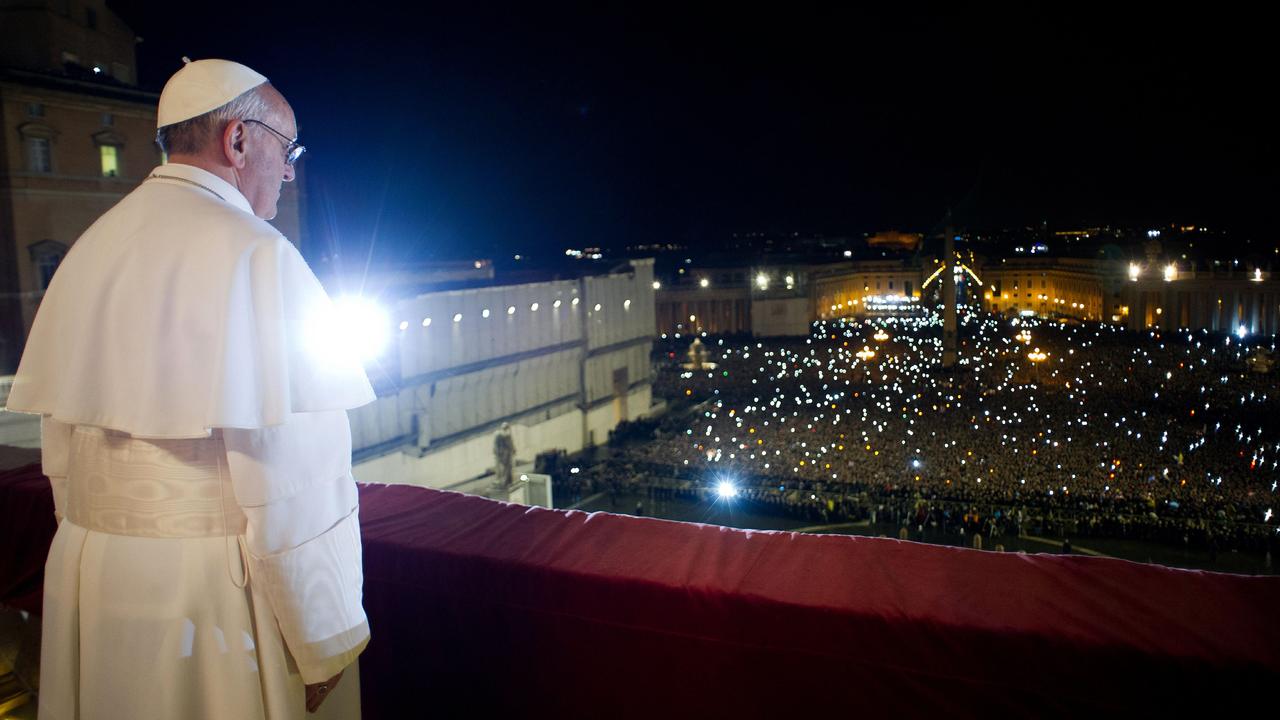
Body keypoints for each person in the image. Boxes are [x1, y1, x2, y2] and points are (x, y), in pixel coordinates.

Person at [5, 58, 375, 718]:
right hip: (212, 599)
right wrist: (323, 639)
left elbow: (60, 451)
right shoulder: (260, 255)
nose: (289, 171)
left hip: (92, 576)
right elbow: (297, 487)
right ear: (238, 141)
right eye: (285, 150)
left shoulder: (91, 244)